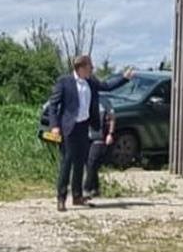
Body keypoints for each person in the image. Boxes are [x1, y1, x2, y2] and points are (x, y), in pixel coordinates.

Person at [46, 56, 134, 211]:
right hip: (68, 127)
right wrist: (54, 126)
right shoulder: (64, 82)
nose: (92, 69)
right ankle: (61, 198)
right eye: (90, 67)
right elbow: (53, 105)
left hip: (83, 126)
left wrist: (124, 78)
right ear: (81, 67)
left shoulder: (91, 82)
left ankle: (77, 196)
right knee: (67, 162)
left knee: (80, 163)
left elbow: (107, 86)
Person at [82, 99, 118, 200]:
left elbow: (112, 118)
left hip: (99, 136)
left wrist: (110, 134)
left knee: (92, 162)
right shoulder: (83, 99)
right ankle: (95, 188)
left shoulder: (104, 102)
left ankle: (86, 189)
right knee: (88, 163)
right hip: (85, 136)